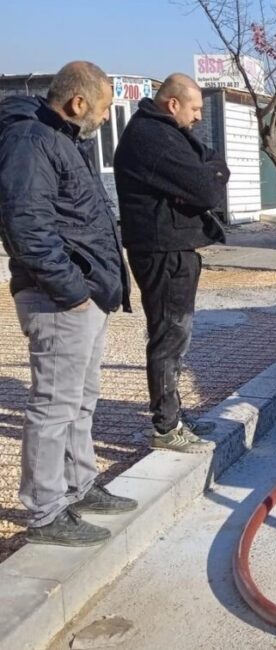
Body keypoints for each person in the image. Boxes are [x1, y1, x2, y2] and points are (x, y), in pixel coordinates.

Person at [0, 62, 137, 547]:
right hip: (59, 299)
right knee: (54, 406)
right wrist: (73, 291)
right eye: (102, 109)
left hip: (85, 295)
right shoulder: (31, 141)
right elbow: (27, 227)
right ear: (79, 103)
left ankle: (80, 487)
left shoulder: (62, 140)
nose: (104, 118)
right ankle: (45, 509)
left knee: (81, 399)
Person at [114, 73, 230, 453]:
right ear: (173, 103)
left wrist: (209, 171)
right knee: (169, 336)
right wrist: (206, 176)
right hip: (161, 251)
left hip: (173, 248)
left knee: (175, 336)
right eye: (195, 108)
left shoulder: (169, 133)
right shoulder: (152, 138)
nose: (198, 117)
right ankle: (166, 427)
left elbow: (213, 169)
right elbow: (208, 187)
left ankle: (173, 414)